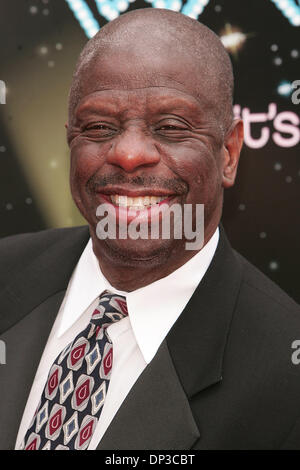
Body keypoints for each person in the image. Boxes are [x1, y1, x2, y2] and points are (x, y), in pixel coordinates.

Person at [0, 8, 299, 450]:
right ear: (70, 140)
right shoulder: (7, 271)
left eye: (171, 127)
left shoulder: (285, 378)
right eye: (100, 126)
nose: (129, 153)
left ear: (229, 153)